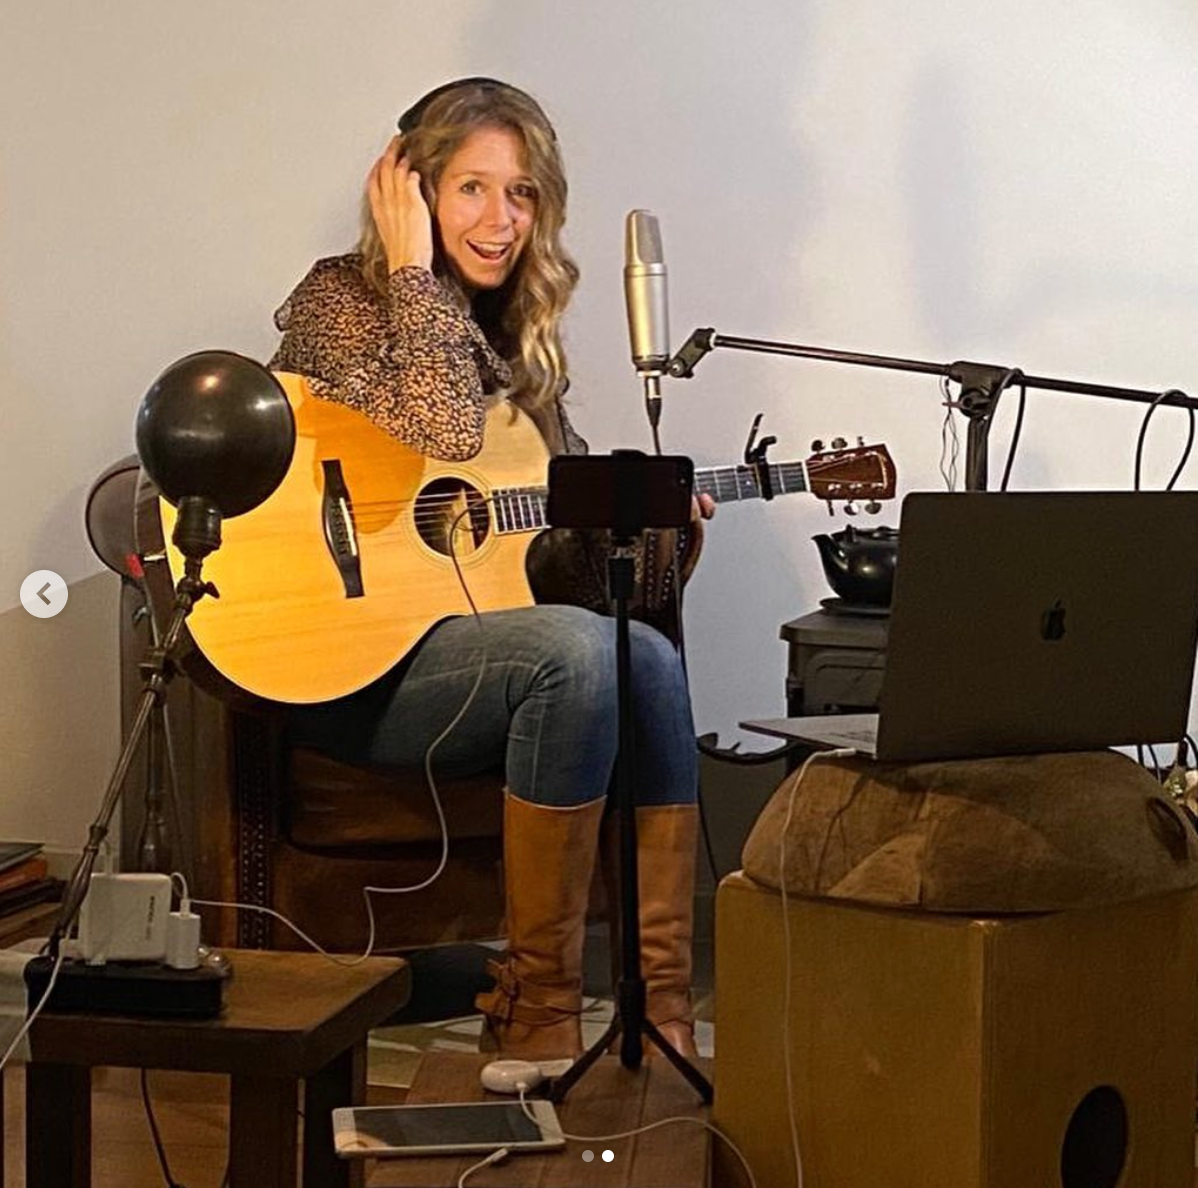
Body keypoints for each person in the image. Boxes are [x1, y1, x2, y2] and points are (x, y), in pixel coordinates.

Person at [270, 77, 709, 1061]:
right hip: (351, 666)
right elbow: (438, 427)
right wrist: (410, 269)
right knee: (578, 654)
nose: (500, 220)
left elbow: (575, 582)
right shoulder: (337, 301)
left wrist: (654, 533)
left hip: (480, 661)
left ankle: (661, 1004)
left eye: (521, 194)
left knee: (639, 656)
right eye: (471, 188)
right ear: (410, 188)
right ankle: (539, 1004)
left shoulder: (516, 341)